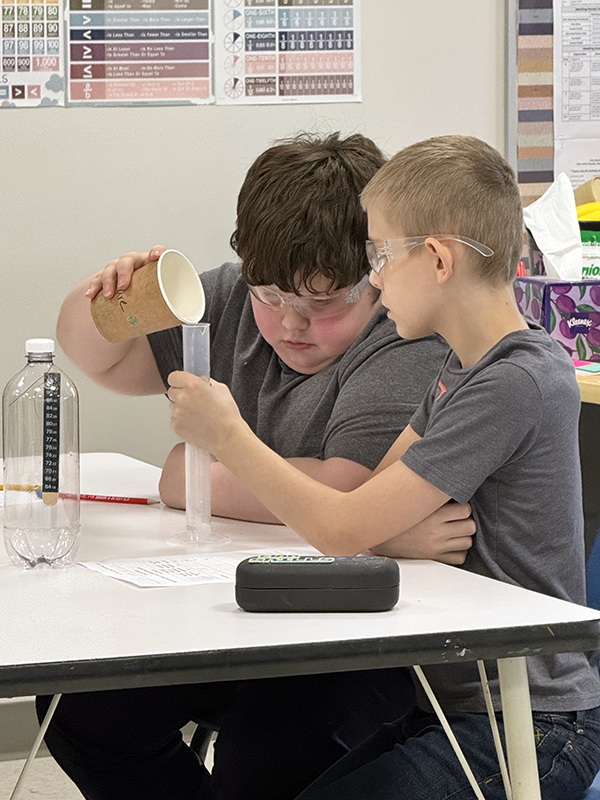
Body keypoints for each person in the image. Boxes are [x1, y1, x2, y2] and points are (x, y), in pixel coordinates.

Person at [38, 132, 472, 800]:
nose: (291, 322)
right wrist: (111, 297)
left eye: (323, 303)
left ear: (376, 273)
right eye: (272, 295)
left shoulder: (405, 332)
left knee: (269, 754)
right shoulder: (238, 297)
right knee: (78, 710)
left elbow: (344, 492)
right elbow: (93, 354)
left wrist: (189, 475)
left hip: (361, 633)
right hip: (245, 609)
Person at [167, 134, 600, 800]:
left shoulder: (516, 383)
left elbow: (341, 528)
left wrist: (227, 437)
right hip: (452, 705)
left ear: (435, 261)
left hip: (532, 723)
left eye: (379, 256)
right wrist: (390, 531)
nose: (372, 280)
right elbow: (369, 507)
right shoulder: (462, 370)